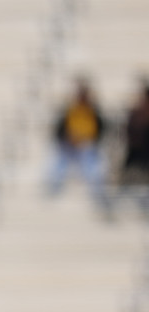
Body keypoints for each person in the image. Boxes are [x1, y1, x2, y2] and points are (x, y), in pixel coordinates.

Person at [45, 76, 111, 212]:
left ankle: (96, 192)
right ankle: (53, 188)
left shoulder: (94, 112)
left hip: (87, 146)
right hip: (68, 146)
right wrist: (69, 139)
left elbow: (99, 131)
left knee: (93, 166)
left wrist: (85, 140)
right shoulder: (69, 111)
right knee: (57, 162)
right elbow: (59, 130)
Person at [117, 77, 149, 217]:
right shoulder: (137, 112)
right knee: (128, 176)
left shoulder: (139, 111)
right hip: (137, 149)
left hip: (141, 150)